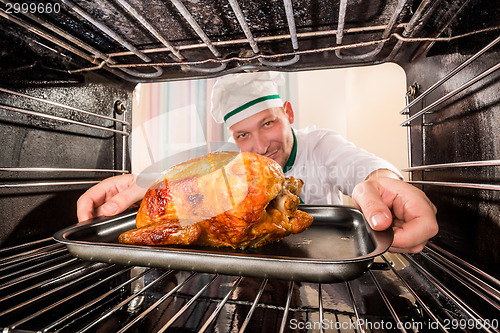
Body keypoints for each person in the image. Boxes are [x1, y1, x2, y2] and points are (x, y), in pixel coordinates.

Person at [77, 71, 438, 253]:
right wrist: (141, 181)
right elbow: (186, 173)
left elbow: (359, 166)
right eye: (243, 135)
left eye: (268, 123)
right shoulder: (232, 165)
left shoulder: (321, 144)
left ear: (288, 113)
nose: (260, 145)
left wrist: (385, 179)